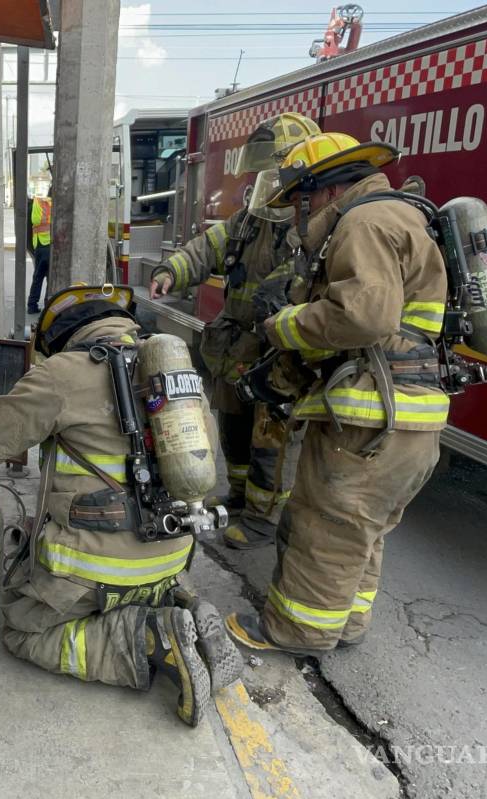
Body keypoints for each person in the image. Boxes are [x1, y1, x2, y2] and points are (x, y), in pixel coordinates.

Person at [0, 285, 241, 727]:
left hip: (93, 578)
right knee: (143, 568)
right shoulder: (180, 380)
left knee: (21, 630)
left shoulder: (62, 373)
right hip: (170, 558)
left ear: (63, 337)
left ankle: (147, 637)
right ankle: (181, 603)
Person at [223, 133, 448, 656]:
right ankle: (347, 622)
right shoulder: (398, 217)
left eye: (298, 201)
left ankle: (296, 633)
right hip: (409, 419)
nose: (297, 217)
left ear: (321, 190)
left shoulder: (363, 223)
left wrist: (285, 325)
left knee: (325, 526)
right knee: (362, 531)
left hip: (371, 419)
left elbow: (363, 316)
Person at [149, 113, 321, 551]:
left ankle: (265, 519)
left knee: (271, 440)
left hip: (280, 353)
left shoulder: (314, 228)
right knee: (233, 427)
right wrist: (172, 271)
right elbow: (207, 248)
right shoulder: (250, 220)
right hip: (238, 347)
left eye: (276, 174)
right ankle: (242, 496)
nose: (268, 183)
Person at [25, 187, 53, 314]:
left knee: (38, 277)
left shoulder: (36, 204)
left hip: (39, 245)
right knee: (51, 277)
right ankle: (48, 306)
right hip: (50, 245)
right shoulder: (53, 207)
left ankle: (32, 305)